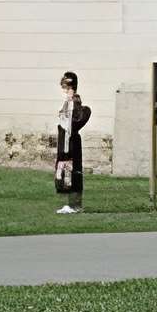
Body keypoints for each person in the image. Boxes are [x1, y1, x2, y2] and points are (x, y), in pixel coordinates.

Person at [47, 71, 89, 213]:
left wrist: (74, 102)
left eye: (67, 86)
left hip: (72, 143)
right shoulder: (64, 105)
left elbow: (76, 121)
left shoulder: (77, 106)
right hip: (63, 142)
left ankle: (75, 204)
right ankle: (65, 203)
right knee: (62, 170)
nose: (65, 90)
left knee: (74, 171)